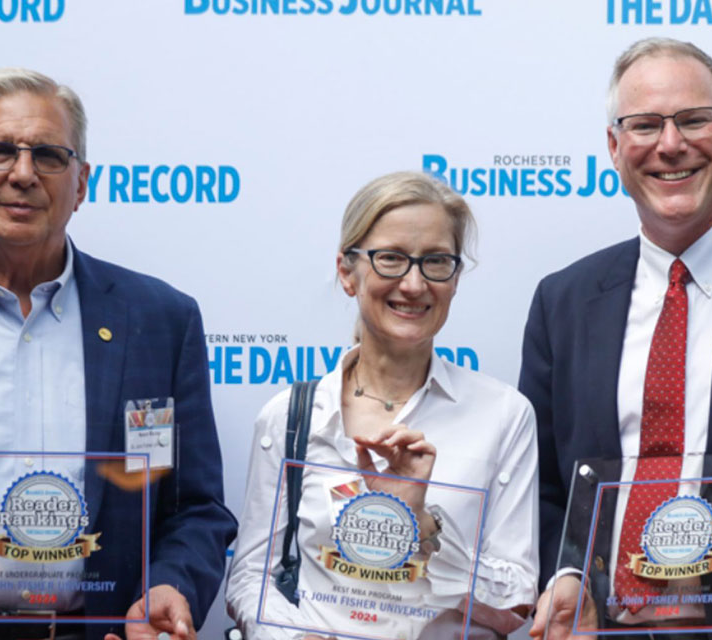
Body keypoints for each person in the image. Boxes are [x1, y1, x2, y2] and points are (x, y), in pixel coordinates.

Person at [0, 68, 237, 639]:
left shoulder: (159, 321)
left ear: (81, 183)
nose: (24, 173)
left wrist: (171, 583)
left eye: (50, 156)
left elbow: (197, 510)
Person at [520, 38, 712, 640]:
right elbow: (540, 490)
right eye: (645, 125)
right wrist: (565, 572)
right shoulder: (563, 301)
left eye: (694, 119)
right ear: (614, 147)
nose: (670, 144)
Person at [225, 171, 538, 639]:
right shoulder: (290, 416)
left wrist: (424, 525)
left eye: (436, 262)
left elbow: (516, 604)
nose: (413, 284)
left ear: (455, 279)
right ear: (347, 272)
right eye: (390, 259)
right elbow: (251, 578)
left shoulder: (504, 415)